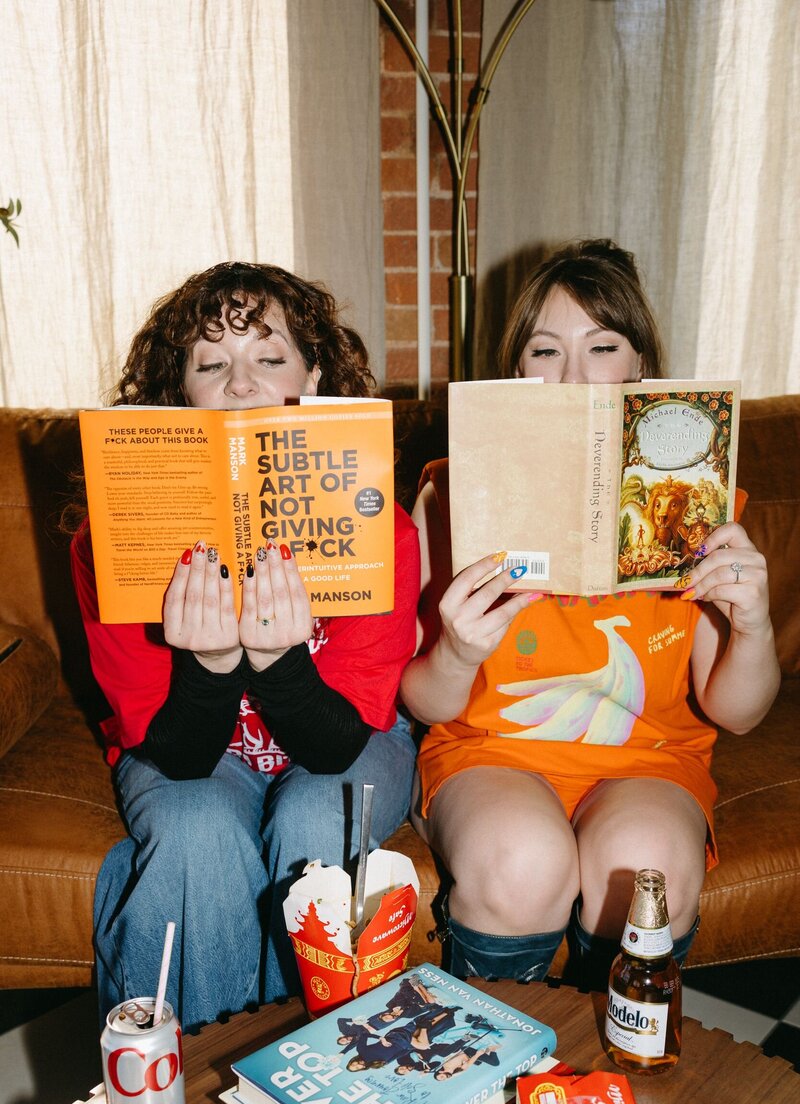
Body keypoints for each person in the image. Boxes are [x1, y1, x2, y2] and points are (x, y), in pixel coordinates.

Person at [399, 239, 780, 989]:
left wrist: (755, 625)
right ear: (516, 371)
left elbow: (735, 713)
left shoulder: (702, 504)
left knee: (649, 870)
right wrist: (458, 651)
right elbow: (420, 696)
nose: (572, 375)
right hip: (488, 752)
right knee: (519, 859)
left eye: (601, 346)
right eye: (546, 350)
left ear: (640, 367)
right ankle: (488, 1068)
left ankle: (613, 1075)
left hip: (650, 761)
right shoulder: (449, 492)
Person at [72, 262, 420, 1030]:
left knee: (312, 822)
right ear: (179, 393)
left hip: (342, 742)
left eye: (269, 358)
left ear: (314, 374)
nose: (240, 385)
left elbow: (335, 749)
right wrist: (211, 666)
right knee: (196, 828)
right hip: (192, 752)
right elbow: (181, 757)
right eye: (211, 364)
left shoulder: (380, 527)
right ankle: (204, 1083)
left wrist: (278, 662)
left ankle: (322, 1068)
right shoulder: (114, 540)